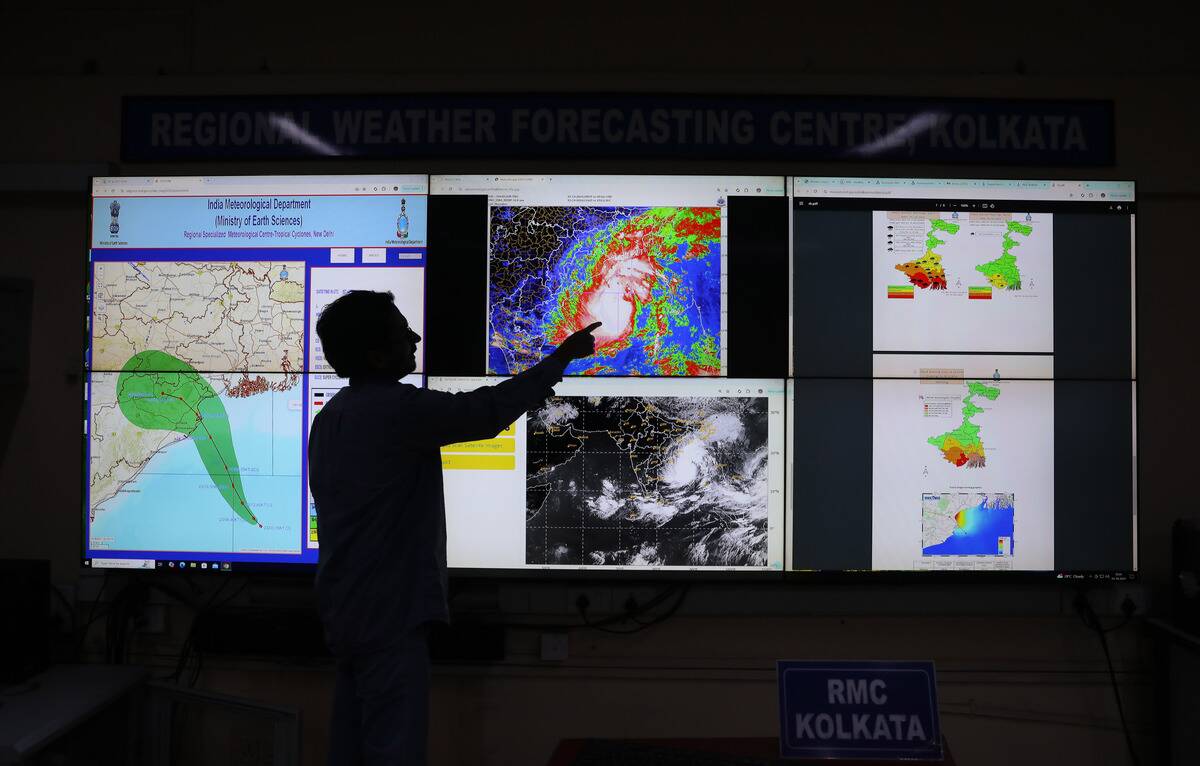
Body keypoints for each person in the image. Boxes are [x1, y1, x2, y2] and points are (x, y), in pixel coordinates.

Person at [308, 289, 599, 765]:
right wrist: (560, 358)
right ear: (377, 354)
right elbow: (485, 413)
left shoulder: (331, 416)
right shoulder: (396, 410)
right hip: (390, 615)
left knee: (354, 744)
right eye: (403, 332)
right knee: (392, 750)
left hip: (346, 607)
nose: (415, 337)